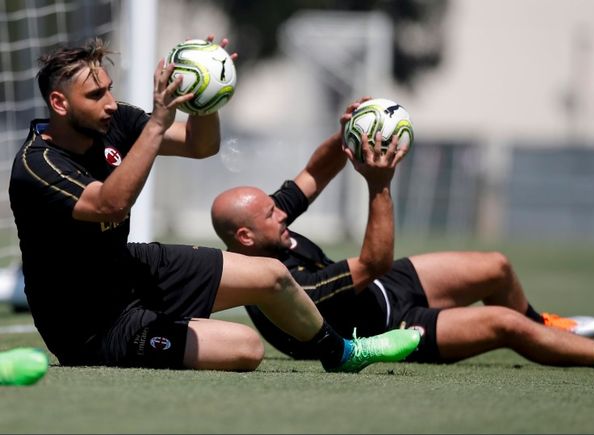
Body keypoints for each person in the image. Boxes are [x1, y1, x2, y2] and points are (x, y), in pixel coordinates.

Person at [8, 38, 421, 374]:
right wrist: (157, 122)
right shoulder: (37, 165)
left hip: (128, 268)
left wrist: (206, 91)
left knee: (274, 276)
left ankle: (343, 354)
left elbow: (201, 145)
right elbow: (111, 205)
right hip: (91, 326)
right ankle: (157, 337)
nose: (111, 103)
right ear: (60, 104)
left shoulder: (112, 122)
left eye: (110, 89)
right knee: (246, 348)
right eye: (96, 95)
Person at [211, 97, 594, 374]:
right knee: (505, 326)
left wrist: (346, 136)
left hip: (383, 288)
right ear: (246, 239)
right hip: (385, 329)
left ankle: (542, 320)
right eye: (274, 212)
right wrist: (379, 185)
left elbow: (312, 175)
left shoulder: (263, 227)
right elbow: (374, 261)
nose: (284, 210)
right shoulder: (275, 283)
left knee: (496, 267)